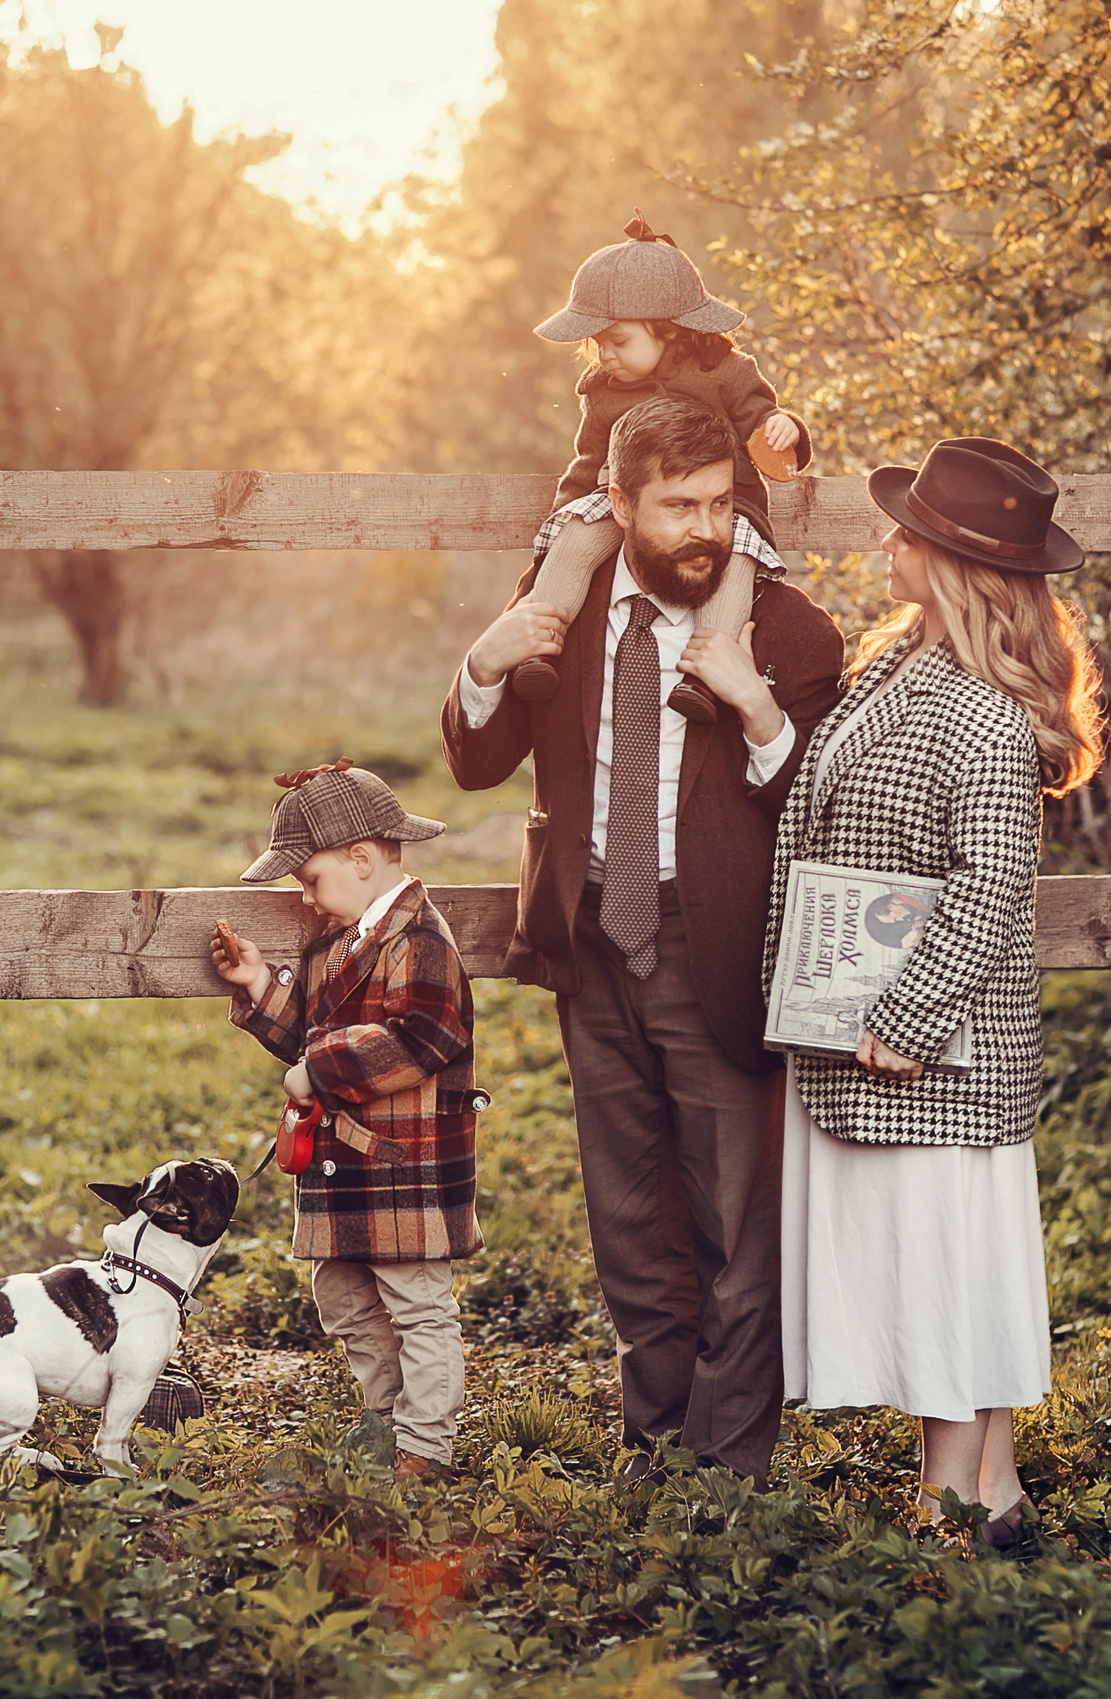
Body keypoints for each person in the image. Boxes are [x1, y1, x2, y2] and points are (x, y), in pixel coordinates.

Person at [441, 394, 845, 1480]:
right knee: (627, 1218)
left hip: (717, 954)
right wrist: (482, 664)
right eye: (675, 507)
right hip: (590, 941)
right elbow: (476, 767)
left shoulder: (790, 634)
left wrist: (758, 712)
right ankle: (655, 1447)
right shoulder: (558, 618)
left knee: (732, 1222)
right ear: (615, 506)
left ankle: (729, 1466)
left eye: (717, 504)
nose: (702, 531)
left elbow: (822, 814)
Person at [763, 436, 1105, 1546]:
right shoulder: (899, 666)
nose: (885, 538)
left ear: (952, 563)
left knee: (943, 1266)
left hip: (935, 1049)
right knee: (939, 1266)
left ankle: (949, 1502)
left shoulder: (988, 717)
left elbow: (992, 882)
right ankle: (987, 1492)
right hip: (868, 1029)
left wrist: (908, 1018)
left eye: (905, 530)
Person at [212, 760, 483, 1483]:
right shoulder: (336, 941)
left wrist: (321, 1070)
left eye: (309, 878)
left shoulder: (420, 941)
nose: (306, 895)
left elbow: (425, 1038)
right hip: (344, 1169)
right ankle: (385, 1416)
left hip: (400, 1163)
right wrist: (261, 986)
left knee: (417, 1305)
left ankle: (425, 1444)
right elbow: (306, 1030)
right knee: (344, 1298)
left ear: (361, 859)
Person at [513, 212, 815, 728]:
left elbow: (759, 418)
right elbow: (588, 462)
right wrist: (566, 518)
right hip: (622, 497)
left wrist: (782, 427)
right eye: (596, 343)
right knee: (577, 541)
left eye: (618, 341)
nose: (605, 355)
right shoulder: (604, 392)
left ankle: (704, 679)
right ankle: (542, 646)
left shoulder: (723, 372)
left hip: (725, 507)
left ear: (670, 331)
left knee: (733, 571)